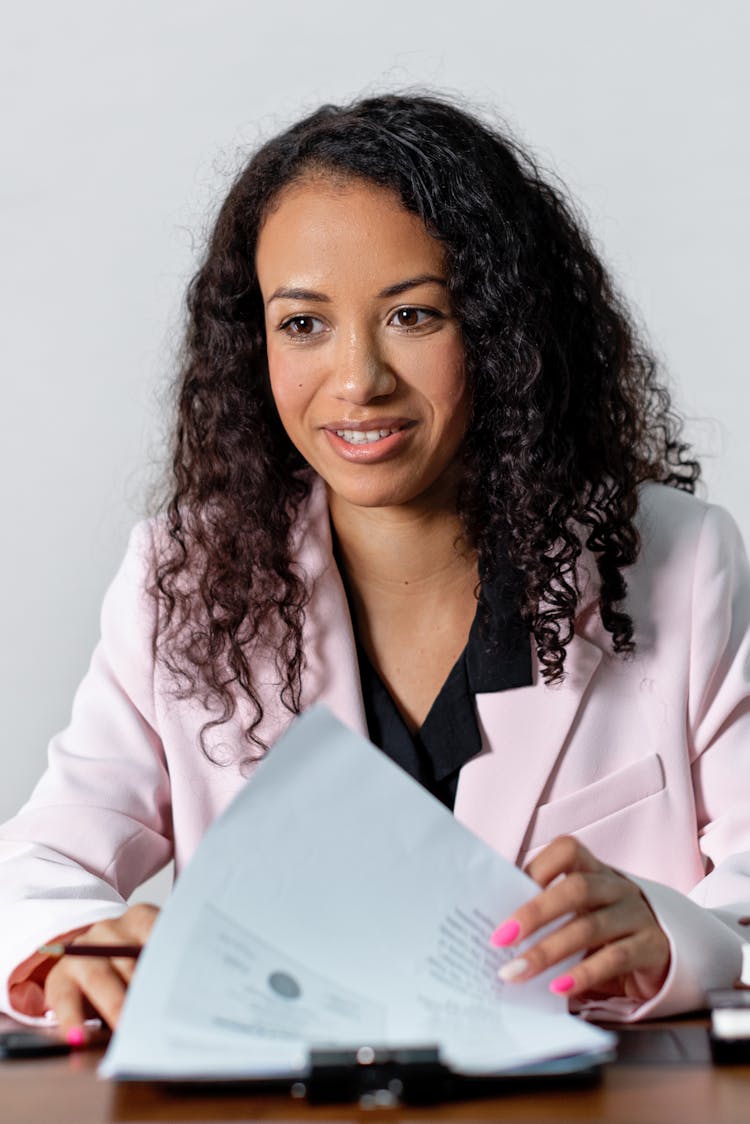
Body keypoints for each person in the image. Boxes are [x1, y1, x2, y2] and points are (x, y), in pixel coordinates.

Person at [2, 92, 749, 1046]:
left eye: (412, 315)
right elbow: (33, 867)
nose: (359, 379)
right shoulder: (184, 579)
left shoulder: (681, 560)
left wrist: (675, 934)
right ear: (253, 344)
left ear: (501, 328)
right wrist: (76, 947)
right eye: (304, 325)